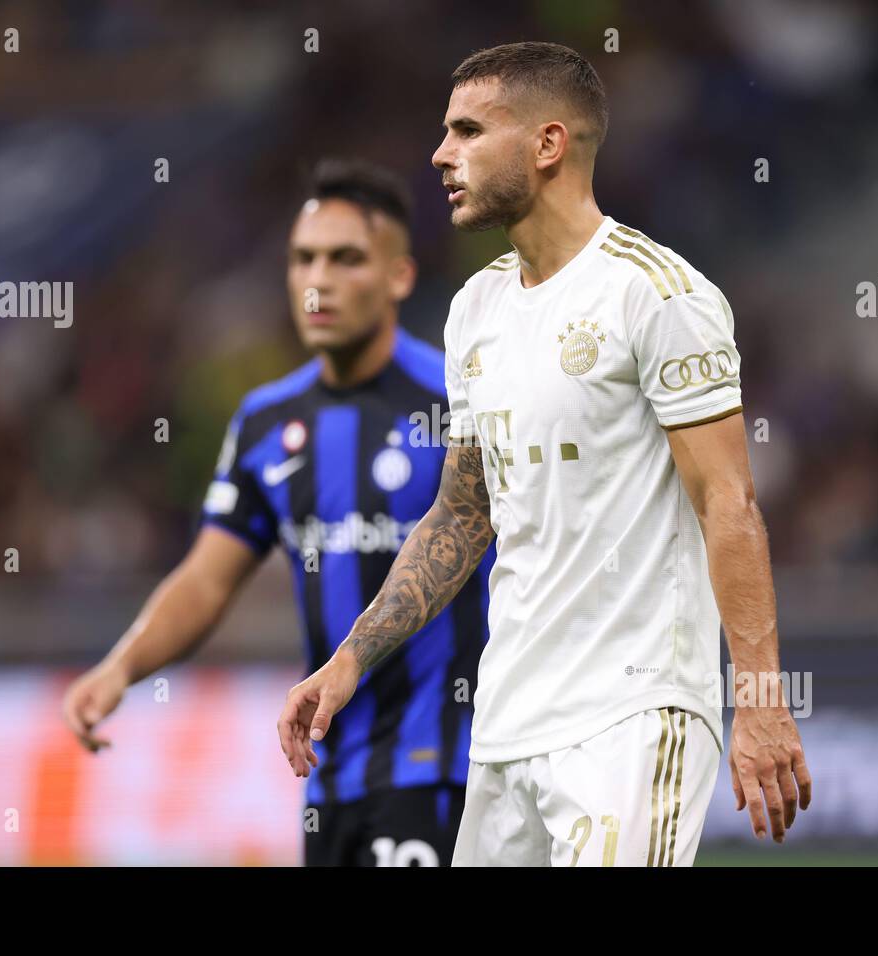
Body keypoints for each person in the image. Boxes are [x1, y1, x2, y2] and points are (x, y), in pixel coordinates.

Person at [278, 43, 811, 866]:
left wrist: (763, 703)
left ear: (548, 144)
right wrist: (349, 660)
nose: (440, 154)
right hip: (508, 723)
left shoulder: (657, 294)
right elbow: (462, 514)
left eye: (467, 131)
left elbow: (728, 504)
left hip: (636, 715)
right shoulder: (474, 310)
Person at [63, 159, 493, 867]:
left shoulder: (458, 400)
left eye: (345, 258)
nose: (317, 279)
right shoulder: (267, 423)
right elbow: (206, 578)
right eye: (303, 259)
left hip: (450, 766)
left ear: (399, 278)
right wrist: (120, 668)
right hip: (326, 775)